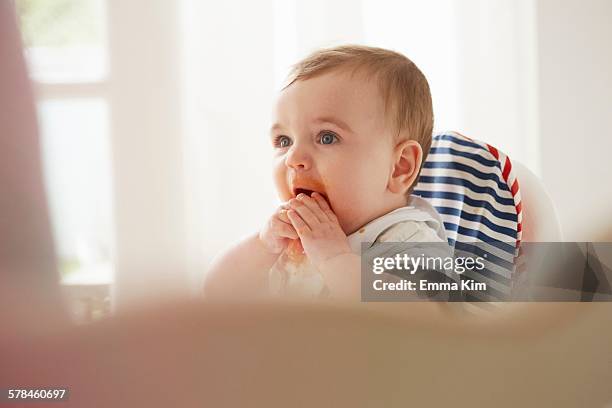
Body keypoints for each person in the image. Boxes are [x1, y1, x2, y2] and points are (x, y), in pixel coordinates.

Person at [204, 45, 447, 301]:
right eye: (284, 141)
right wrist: (264, 246)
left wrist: (335, 259)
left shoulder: (410, 241)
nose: (294, 158)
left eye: (327, 137)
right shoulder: (289, 240)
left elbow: (420, 323)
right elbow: (216, 292)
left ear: (400, 167)